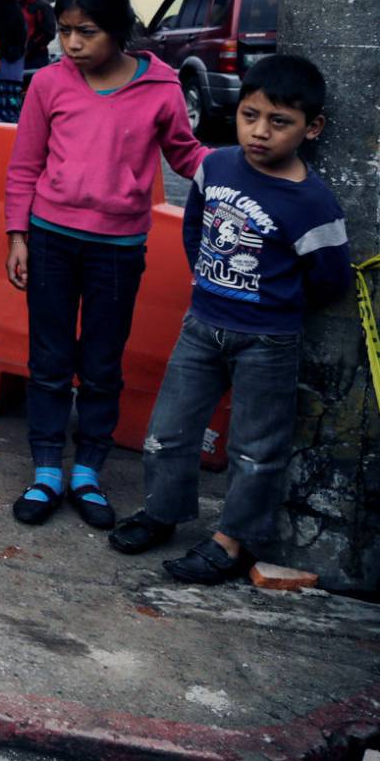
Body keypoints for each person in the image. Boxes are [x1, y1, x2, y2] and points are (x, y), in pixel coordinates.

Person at [108, 55, 351, 582]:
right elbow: (195, 227)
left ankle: (230, 540)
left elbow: (330, 277)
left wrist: (276, 304)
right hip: (201, 326)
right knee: (169, 430)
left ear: (312, 128)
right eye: (249, 115)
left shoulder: (312, 203)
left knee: (256, 447)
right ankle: (162, 512)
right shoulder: (214, 166)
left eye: (279, 122)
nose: (259, 132)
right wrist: (208, 279)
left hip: (269, 340)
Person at [2, 0, 206, 529]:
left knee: (100, 365)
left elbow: (186, 156)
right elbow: (24, 167)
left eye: (85, 31)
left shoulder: (161, 89)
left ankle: (88, 470)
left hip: (118, 249)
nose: (71, 44)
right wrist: (18, 236)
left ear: (118, 30)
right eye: (64, 30)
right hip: (49, 241)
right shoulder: (49, 83)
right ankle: (46, 469)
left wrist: (240, 171)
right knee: (48, 362)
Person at [14, 0, 56, 72]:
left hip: (37, 56)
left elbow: (49, 32)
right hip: (21, 55)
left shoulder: (42, 6)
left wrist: (31, 46)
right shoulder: (19, 5)